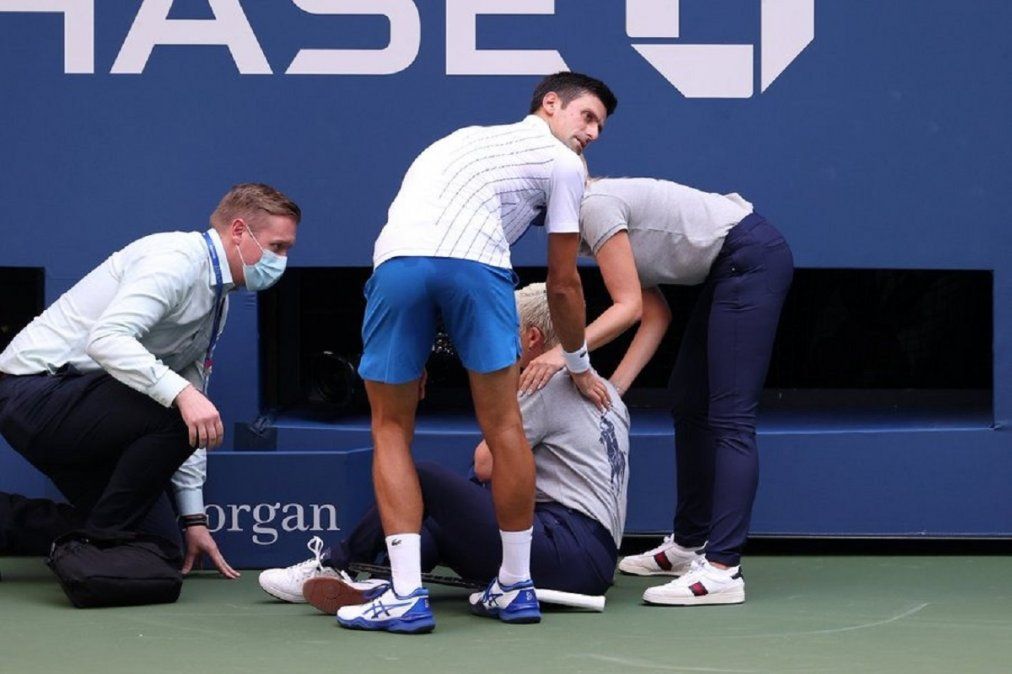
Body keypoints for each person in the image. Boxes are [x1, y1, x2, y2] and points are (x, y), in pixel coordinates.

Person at [345, 72, 618, 632]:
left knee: (390, 429)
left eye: (598, 127)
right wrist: (578, 363)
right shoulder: (565, 164)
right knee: (505, 428)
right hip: (478, 268)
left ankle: (403, 595)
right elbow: (564, 285)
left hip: (398, 265)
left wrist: (416, 348)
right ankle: (515, 588)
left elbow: (425, 248)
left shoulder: (458, 139)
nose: (591, 133)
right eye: (586, 117)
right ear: (550, 105)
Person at [258, 282, 630, 621]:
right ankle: (383, 580)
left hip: (565, 548)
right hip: (593, 562)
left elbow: (485, 464)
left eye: (506, 330)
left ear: (532, 337)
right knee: (436, 522)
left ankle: (335, 563)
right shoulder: (609, 392)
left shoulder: (543, 380)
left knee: (425, 477)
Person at [0, 183, 300, 584]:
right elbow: (106, 340)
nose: (281, 260)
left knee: (159, 547)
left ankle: (35, 526)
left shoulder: (218, 300)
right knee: (178, 408)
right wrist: (180, 393)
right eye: (277, 247)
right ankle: (99, 543)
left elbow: (196, 415)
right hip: (33, 393)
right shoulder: (174, 260)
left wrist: (193, 517)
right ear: (240, 231)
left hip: (86, 414)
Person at [519, 177, 794, 605]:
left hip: (751, 257)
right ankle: (689, 545)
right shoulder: (588, 224)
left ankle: (723, 570)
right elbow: (656, 312)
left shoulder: (596, 207)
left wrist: (564, 357)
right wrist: (613, 389)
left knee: (731, 417)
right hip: (733, 264)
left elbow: (628, 308)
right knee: (688, 399)